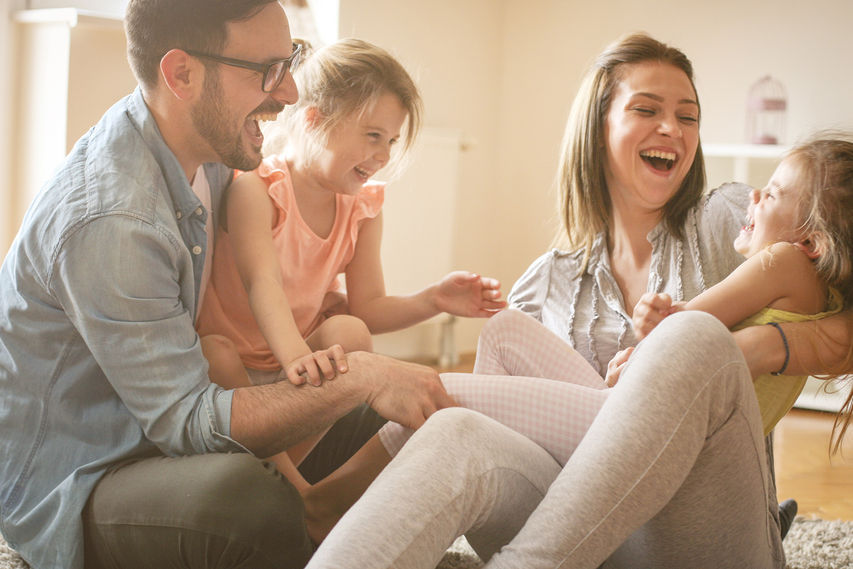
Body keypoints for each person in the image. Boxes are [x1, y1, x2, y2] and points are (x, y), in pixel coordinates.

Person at [304, 33, 853, 569]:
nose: (672, 128)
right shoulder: (548, 282)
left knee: (692, 337)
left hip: (702, 527)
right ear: (597, 130)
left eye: (688, 116)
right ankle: (319, 517)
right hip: (585, 530)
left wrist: (764, 344)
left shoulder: (732, 220)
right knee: (465, 409)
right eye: (647, 109)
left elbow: (833, 277)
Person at [0, 2, 454, 569]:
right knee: (246, 500)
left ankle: (316, 519)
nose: (290, 93)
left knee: (383, 417)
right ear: (182, 75)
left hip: (159, 424)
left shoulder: (209, 151)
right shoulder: (115, 221)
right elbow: (187, 422)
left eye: (290, 62)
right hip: (89, 471)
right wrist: (358, 375)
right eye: (266, 70)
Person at [195, 38, 504, 490]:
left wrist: (435, 298)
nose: (383, 156)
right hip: (238, 369)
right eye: (373, 135)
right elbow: (263, 283)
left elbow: (370, 308)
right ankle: (297, 495)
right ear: (316, 120)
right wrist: (298, 358)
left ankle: (295, 478)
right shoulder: (258, 189)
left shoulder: (362, 207)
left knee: (349, 331)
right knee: (212, 351)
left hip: (292, 365)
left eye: (392, 141)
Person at [631, 136, 853, 436]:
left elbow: (682, 327)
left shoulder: (785, 261)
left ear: (811, 242)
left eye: (772, 195)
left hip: (661, 428)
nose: (755, 194)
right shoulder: (829, 300)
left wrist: (650, 318)